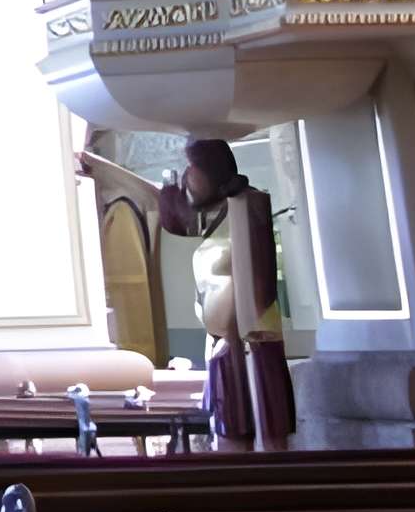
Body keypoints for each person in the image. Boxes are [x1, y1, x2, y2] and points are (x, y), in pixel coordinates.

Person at [80, 137, 293, 443]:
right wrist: (102, 169)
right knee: (230, 431)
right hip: (223, 344)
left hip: (251, 342)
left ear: (214, 173)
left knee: (264, 426)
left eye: (192, 171)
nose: (184, 180)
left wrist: (240, 336)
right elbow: (157, 199)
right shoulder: (211, 214)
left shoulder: (248, 207)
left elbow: (258, 287)